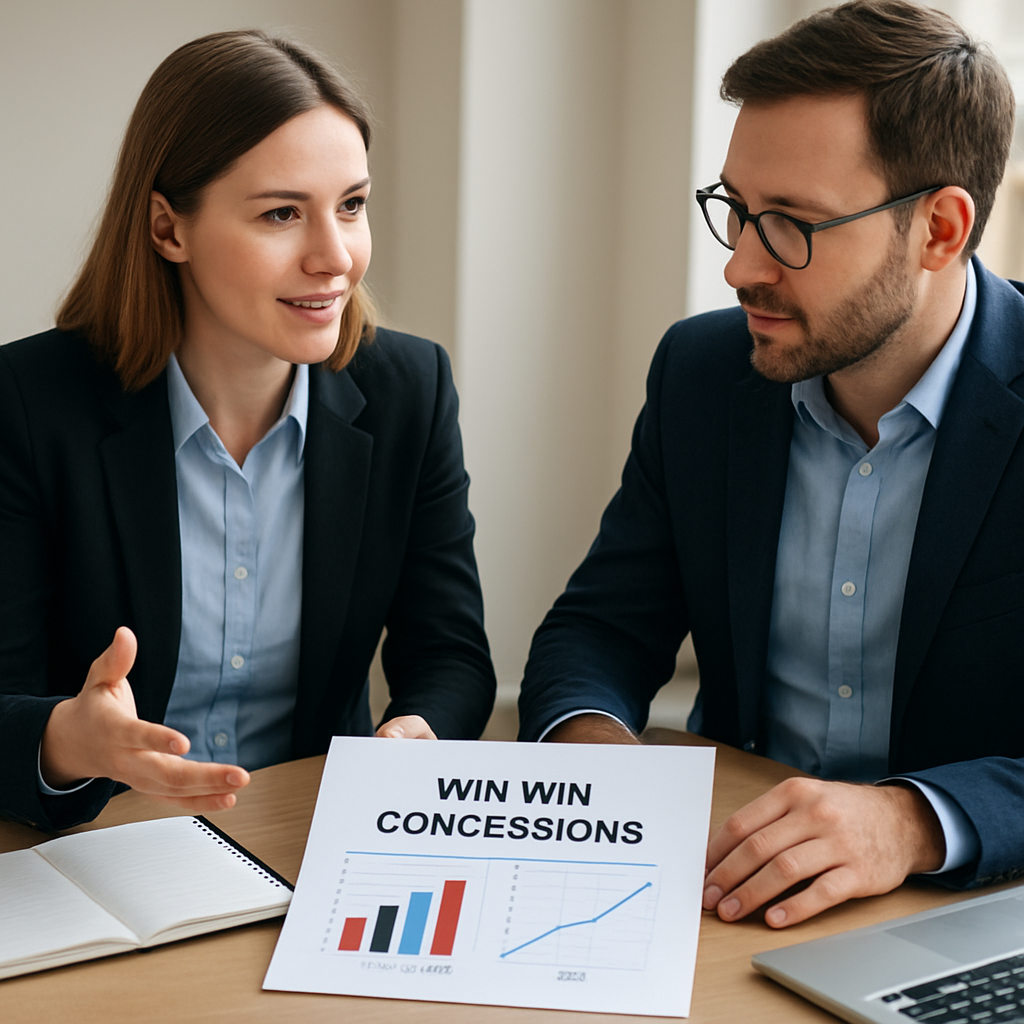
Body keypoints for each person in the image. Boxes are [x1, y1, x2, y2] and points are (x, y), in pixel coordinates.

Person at [519, 0, 1024, 928]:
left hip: (972, 909)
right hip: (728, 890)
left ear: (941, 231)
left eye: (790, 223)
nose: (740, 266)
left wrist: (909, 822)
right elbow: (602, 628)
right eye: (738, 211)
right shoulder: (704, 373)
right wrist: (595, 753)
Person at [0, 30, 495, 834]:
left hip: (306, 838)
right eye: (281, 214)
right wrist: (71, 741)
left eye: (353, 206)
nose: (335, 257)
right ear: (169, 229)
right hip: (97, 844)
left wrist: (415, 737)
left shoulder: (412, 389)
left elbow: (450, 656)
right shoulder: (27, 402)